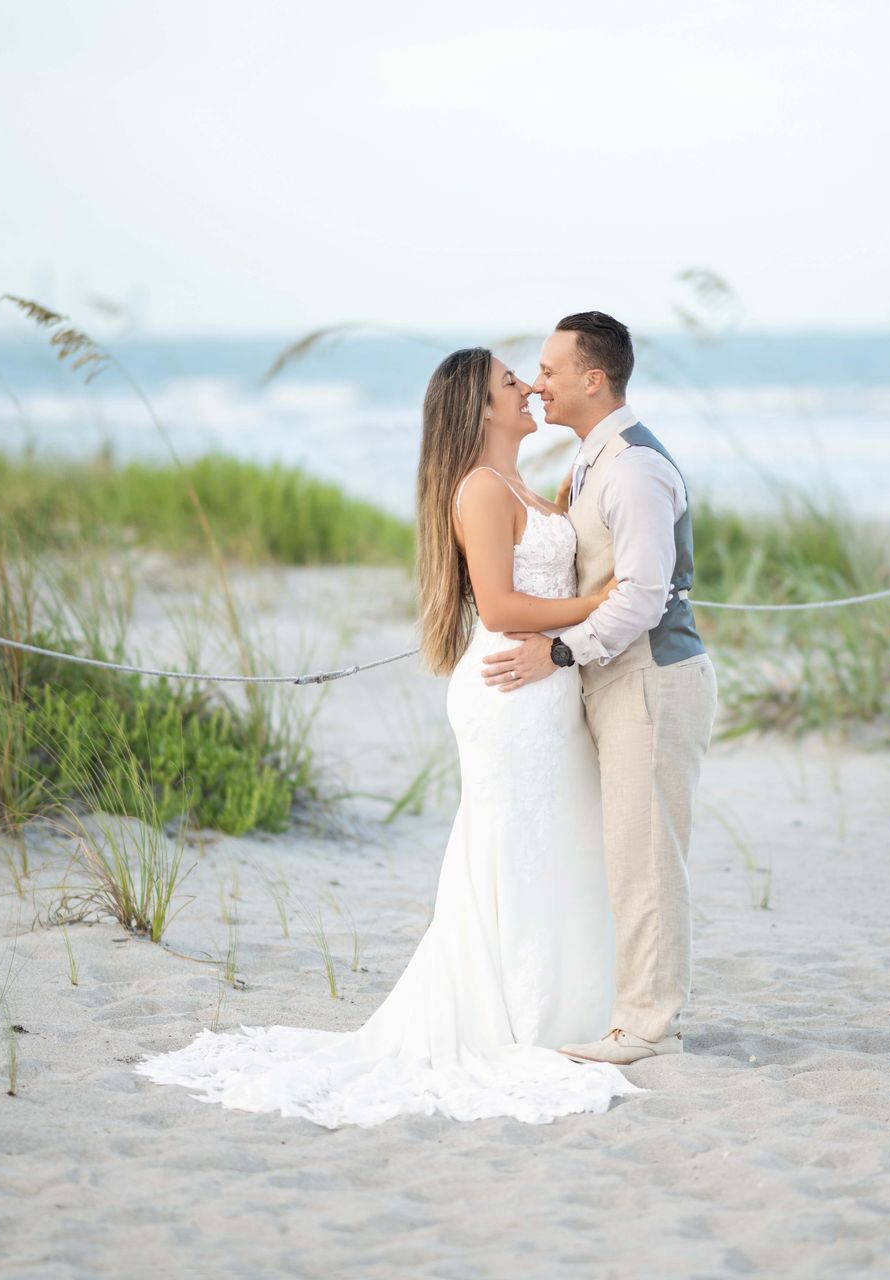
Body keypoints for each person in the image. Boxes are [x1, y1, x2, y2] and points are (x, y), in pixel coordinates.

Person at [133, 346, 636, 1127]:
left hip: (545, 688)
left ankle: (567, 1010)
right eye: (512, 382)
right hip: (511, 690)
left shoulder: (520, 484)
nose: (530, 385)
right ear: (480, 409)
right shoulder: (477, 488)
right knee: (516, 845)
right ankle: (528, 1022)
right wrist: (597, 602)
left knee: (554, 841)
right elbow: (500, 608)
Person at [481, 311, 718, 1066]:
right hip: (614, 682)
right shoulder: (592, 462)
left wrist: (558, 651)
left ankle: (648, 1024)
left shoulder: (636, 469)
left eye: (550, 370)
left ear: (595, 378)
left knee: (647, 856)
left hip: (651, 679)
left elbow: (644, 597)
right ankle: (627, 1007)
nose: (538, 381)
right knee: (623, 852)